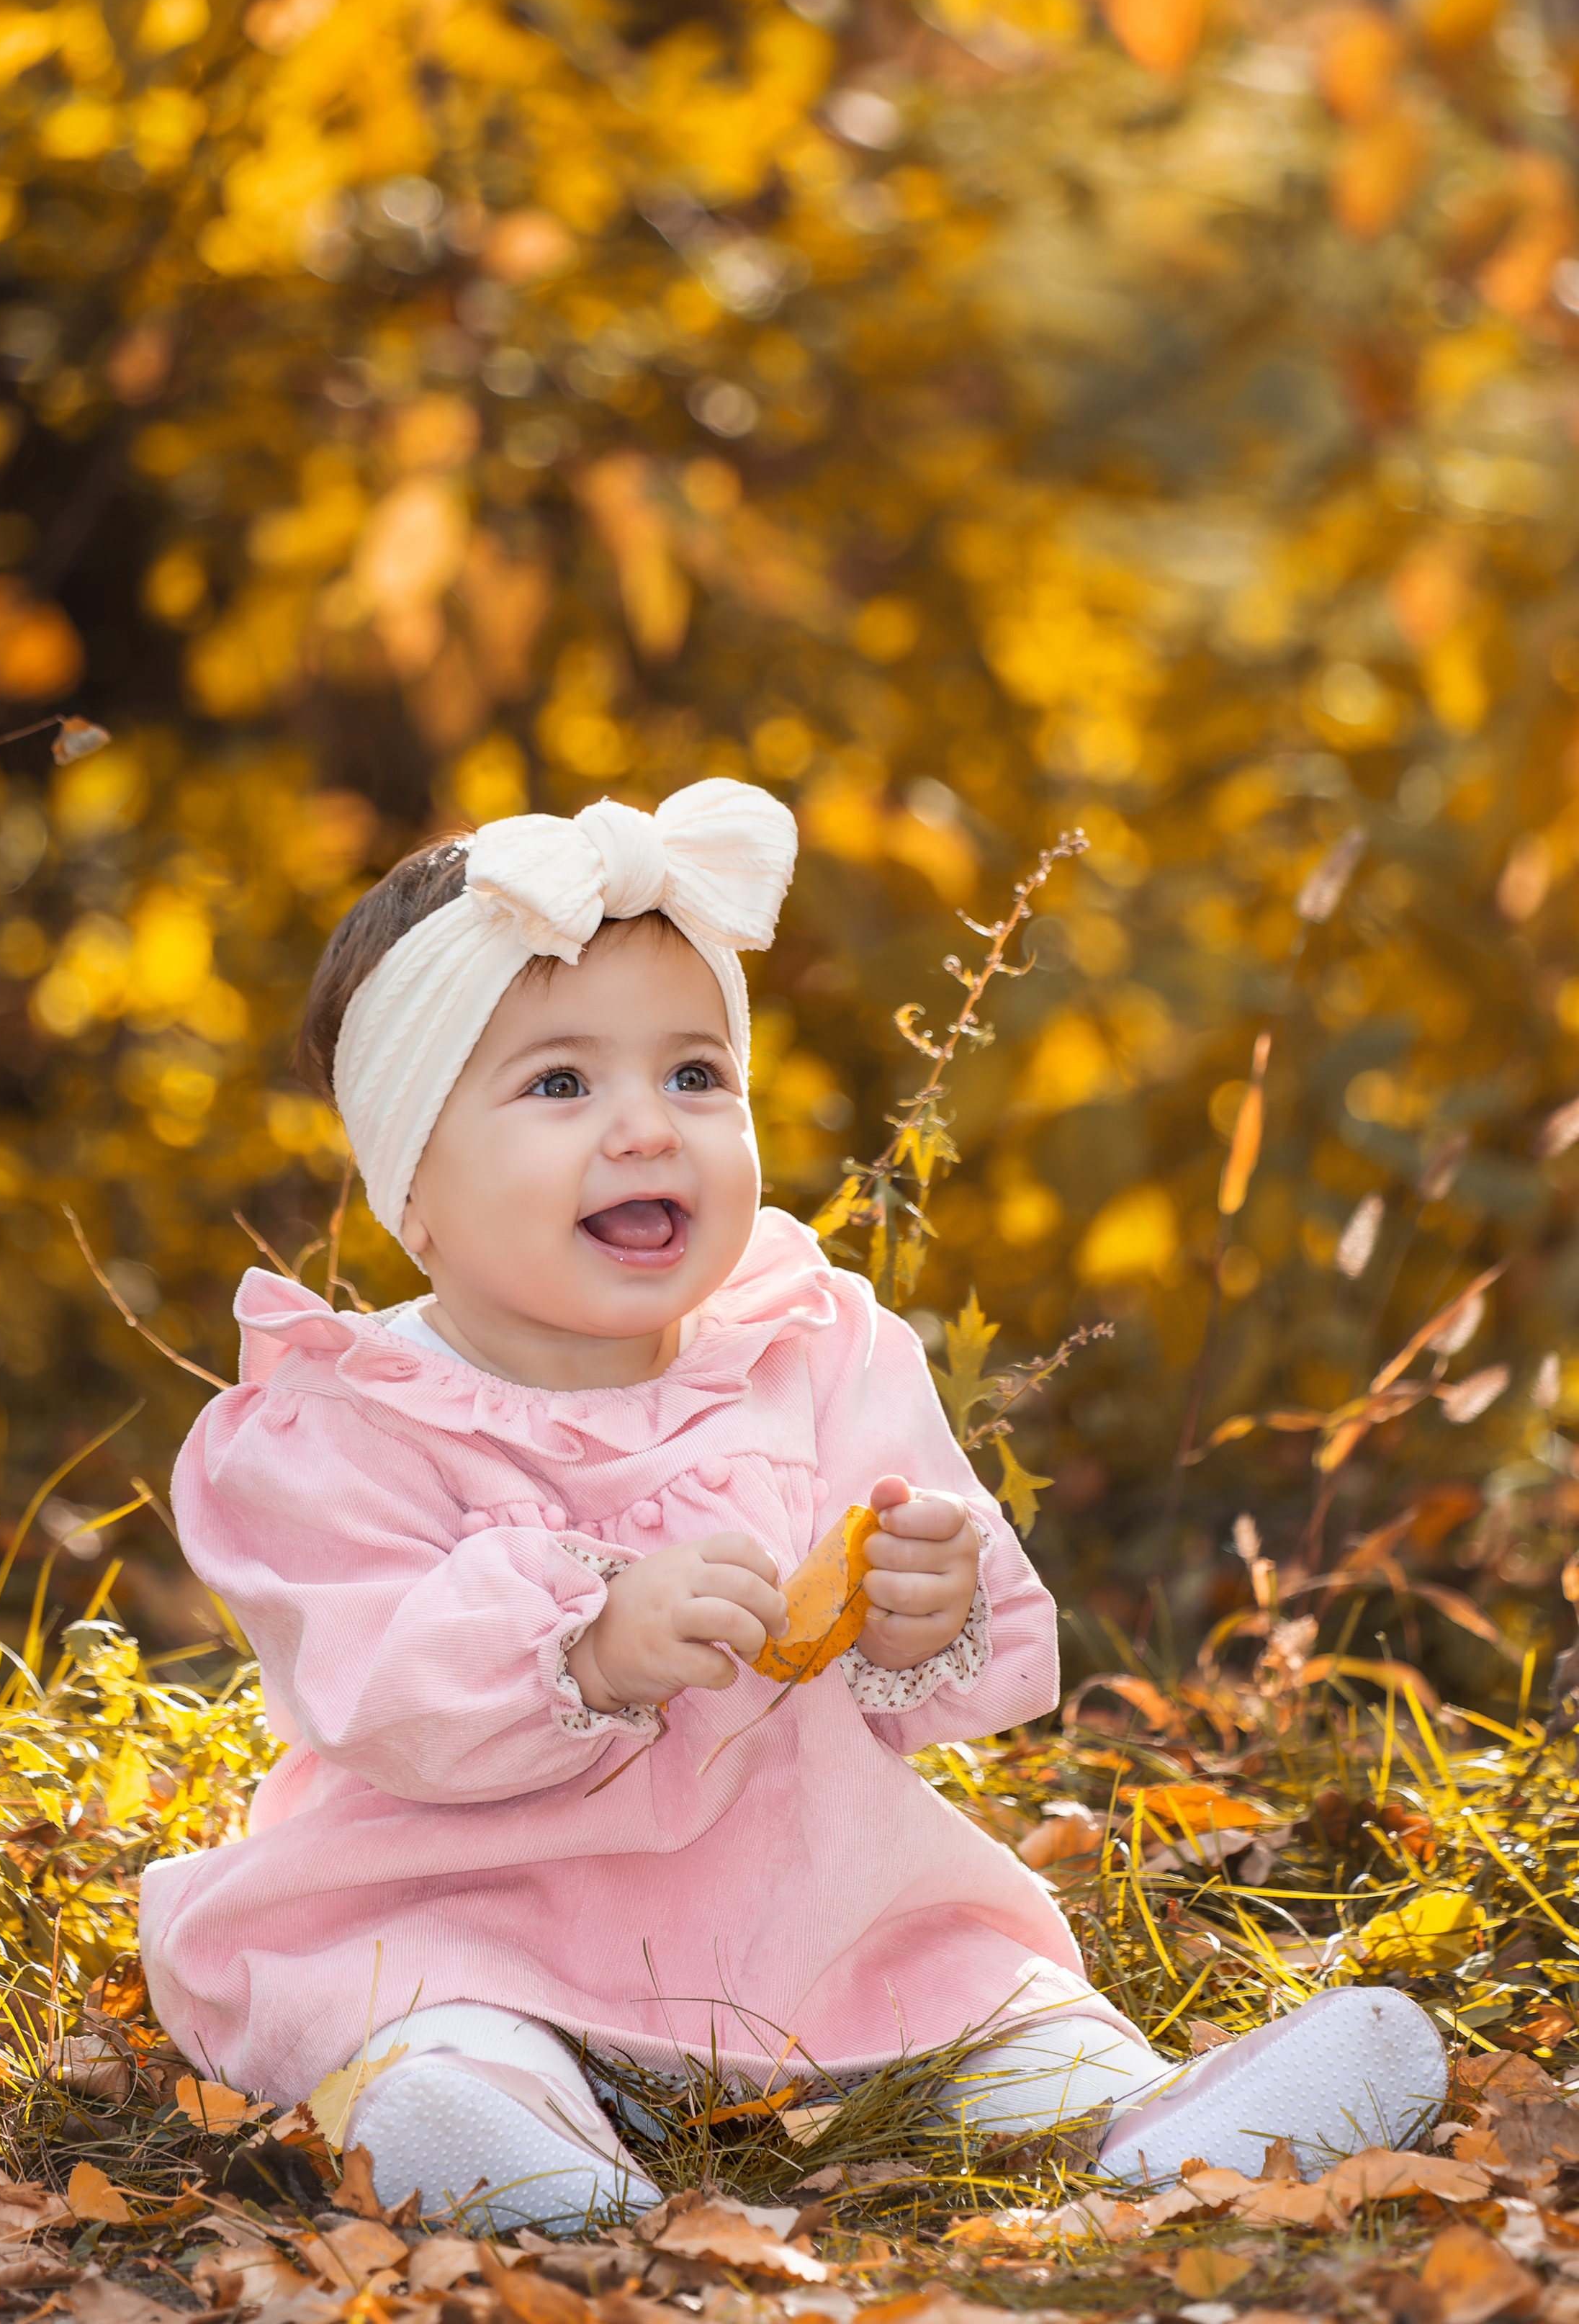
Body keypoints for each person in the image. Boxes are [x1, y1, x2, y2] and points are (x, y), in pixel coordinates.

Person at [137, 782, 1446, 2229]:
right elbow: (366, 1673)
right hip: (467, 1894)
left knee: (979, 1993)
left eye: (695, 1075)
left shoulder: (810, 1349)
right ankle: (509, 2148)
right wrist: (581, 1646)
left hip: (805, 1895)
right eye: (559, 1085)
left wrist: (915, 1608)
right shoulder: (349, 1417)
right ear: (414, 1188)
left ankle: (1145, 2125)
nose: (646, 1128)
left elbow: (904, 1633)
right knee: (435, 2021)